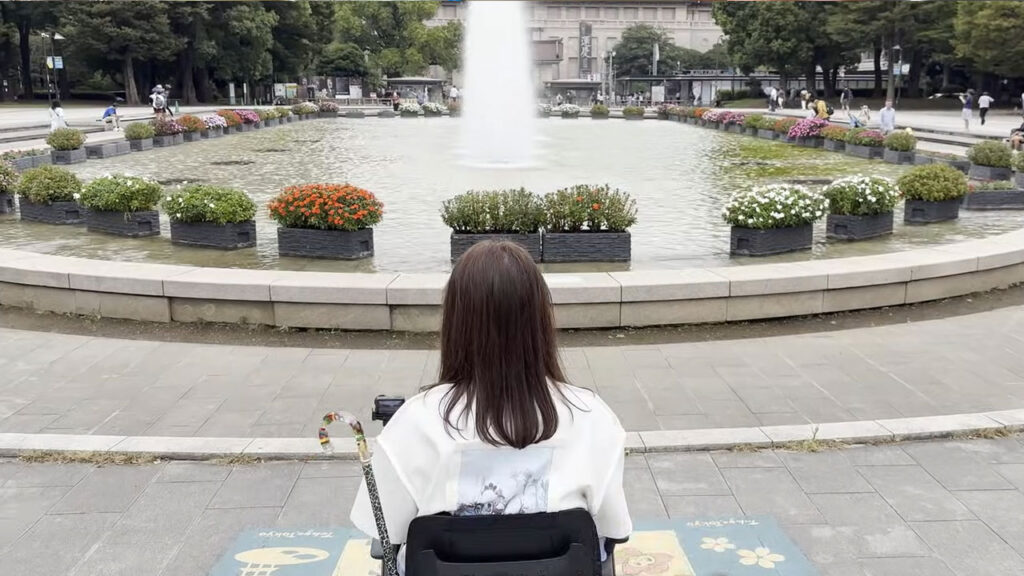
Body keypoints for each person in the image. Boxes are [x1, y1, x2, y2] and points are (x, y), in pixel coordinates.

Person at [349, 242, 631, 574]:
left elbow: (386, 531)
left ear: (455, 321)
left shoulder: (414, 423)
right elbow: (615, 530)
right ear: (540, 319)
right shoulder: (590, 417)